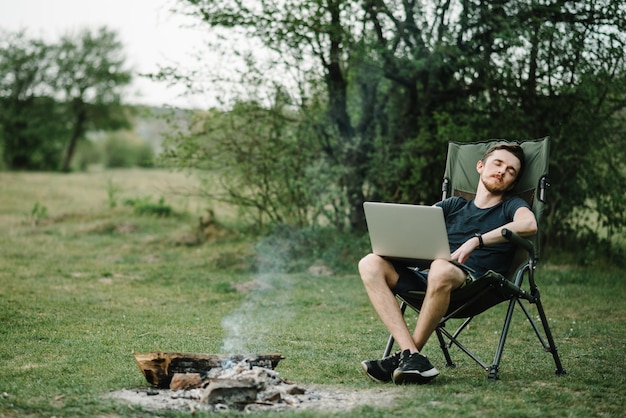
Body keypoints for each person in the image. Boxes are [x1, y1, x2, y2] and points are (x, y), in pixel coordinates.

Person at [358, 143, 537, 384]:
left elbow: (529, 225)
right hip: (430, 277)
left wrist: (477, 241)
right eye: (498, 163)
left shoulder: (511, 206)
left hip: (477, 284)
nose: (503, 171)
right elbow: (416, 227)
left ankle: (405, 357)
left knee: (441, 268)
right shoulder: (453, 205)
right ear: (480, 166)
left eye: (511, 171)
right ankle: (411, 356)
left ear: (513, 183)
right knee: (370, 263)